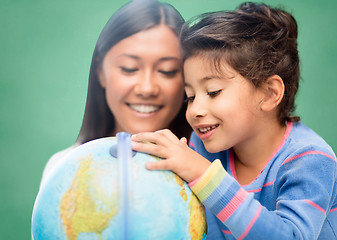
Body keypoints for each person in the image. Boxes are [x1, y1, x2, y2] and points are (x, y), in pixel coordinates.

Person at [131, 2, 337, 239]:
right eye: (189, 96)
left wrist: (205, 175)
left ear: (270, 93)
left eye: (213, 92)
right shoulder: (203, 147)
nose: (195, 109)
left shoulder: (309, 159)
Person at [41, 0, 191, 183]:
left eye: (167, 70)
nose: (147, 88)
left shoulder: (206, 169)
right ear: (100, 72)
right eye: (129, 68)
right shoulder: (66, 168)